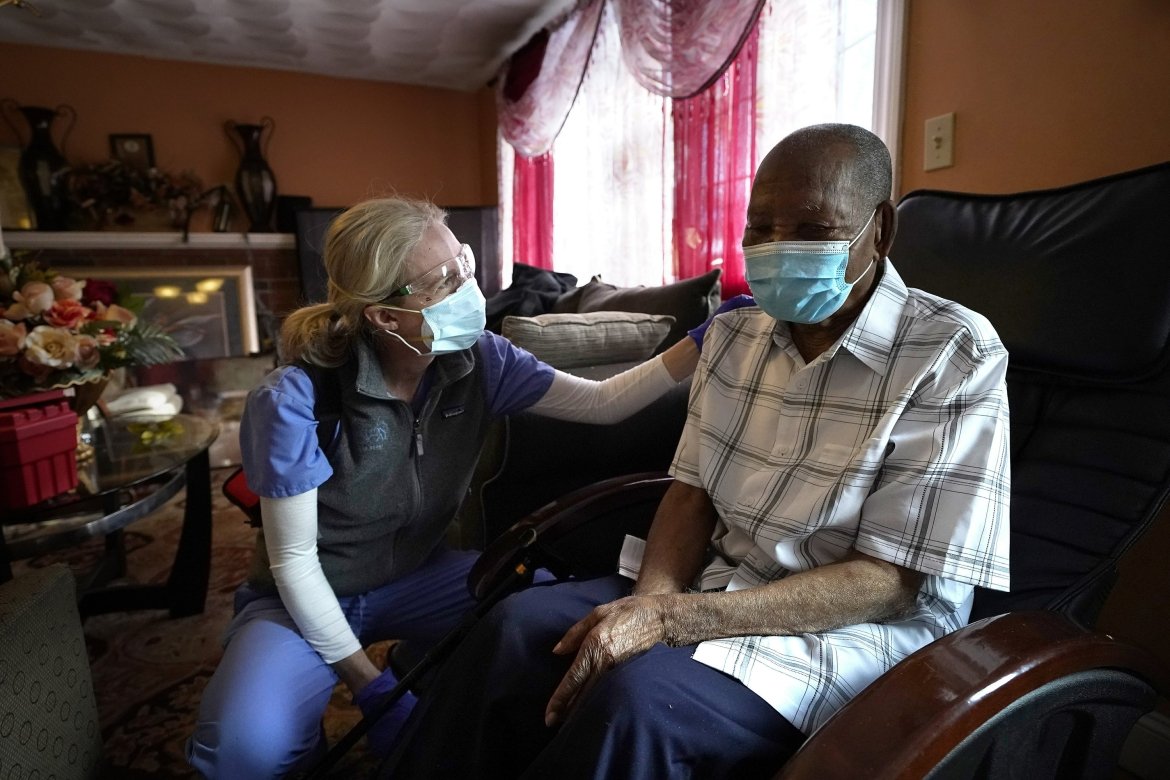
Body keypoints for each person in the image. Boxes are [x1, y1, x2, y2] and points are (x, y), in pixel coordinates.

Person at [383, 123, 1012, 779]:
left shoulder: (951, 354)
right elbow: (691, 491)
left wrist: (672, 620)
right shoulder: (736, 336)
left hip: (847, 634)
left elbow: (892, 581)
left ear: (879, 230)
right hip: (715, 582)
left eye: (813, 227)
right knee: (514, 630)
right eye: (760, 227)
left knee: (636, 702)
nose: (777, 248)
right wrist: (651, 599)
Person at [185, 196, 750, 778]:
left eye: (465, 264)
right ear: (384, 316)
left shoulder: (482, 361)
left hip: (415, 578)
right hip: (305, 595)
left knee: (549, 620)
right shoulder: (296, 399)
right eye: (443, 280)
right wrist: (371, 687)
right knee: (242, 752)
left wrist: (703, 337)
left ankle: (426, 663)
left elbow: (603, 403)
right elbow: (296, 565)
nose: (467, 287)